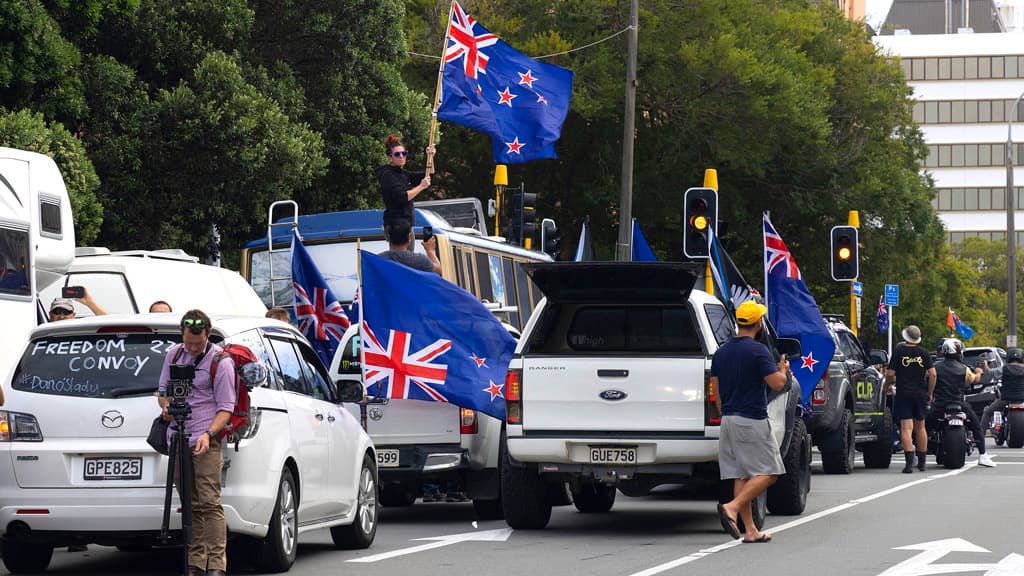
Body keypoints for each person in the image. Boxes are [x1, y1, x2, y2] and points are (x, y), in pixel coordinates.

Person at [157, 309, 235, 576]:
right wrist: (166, 406)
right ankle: (195, 562)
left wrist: (208, 435)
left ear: (208, 335)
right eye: (187, 342)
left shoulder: (221, 362)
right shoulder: (174, 355)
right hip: (177, 436)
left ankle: (216, 564)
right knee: (189, 503)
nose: (191, 348)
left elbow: (226, 408)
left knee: (209, 502)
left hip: (204, 437)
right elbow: (162, 392)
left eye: (197, 343)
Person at [710, 301, 789, 544]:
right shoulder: (757, 351)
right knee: (772, 471)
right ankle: (731, 508)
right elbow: (777, 384)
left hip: (728, 419)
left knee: (741, 475)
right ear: (758, 323)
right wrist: (784, 370)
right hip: (751, 419)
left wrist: (726, 412)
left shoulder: (721, 351)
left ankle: (751, 530)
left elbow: (715, 387)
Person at [930, 338, 995, 467]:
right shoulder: (964, 369)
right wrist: (979, 372)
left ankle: (917, 455)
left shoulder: (935, 368)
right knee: (976, 426)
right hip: (959, 404)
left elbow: (928, 379)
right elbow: (974, 380)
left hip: (940, 404)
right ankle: (983, 455)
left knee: (924, 426)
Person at [885, 324, 936, 473]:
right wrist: (930, 392)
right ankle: (922, 463)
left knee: (906, 428)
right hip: (920, 393)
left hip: (904, 393)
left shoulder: (899, 352)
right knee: (921, 427)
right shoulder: (924, 353)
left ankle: (908, 464)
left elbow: (889, 374)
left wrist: (887, 386)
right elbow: (933, 374)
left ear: (905, 336)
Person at [374, 134, 435, 235]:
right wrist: (421, 187)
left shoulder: (403, 173)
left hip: (407, 225)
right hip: (395, 225)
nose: (401, 156)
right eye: (397, 154)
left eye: (404, 153)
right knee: (400, 251)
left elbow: (429, 175)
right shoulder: (388, 175)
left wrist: (430, 156)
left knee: (407, 251)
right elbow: (402, 197)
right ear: (390, 157)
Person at [982, 347, 1024, 438]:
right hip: (1022, 398)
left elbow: (988, 372)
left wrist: (985, 364)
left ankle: (980, 436)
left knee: (987, 412)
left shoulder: (1003, 369)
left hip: (1006, 398)